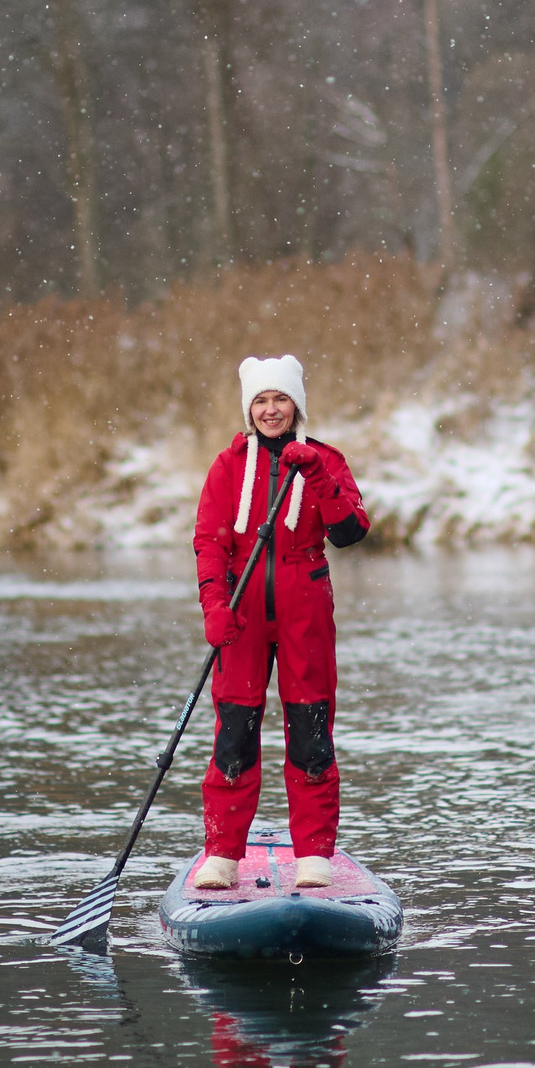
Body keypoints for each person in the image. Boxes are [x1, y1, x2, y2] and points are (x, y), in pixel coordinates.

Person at [191, 355, 370, 891]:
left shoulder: (324, 459)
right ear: (250, 409)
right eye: (261, 401)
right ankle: (222, 853)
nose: (271, 410)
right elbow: (209, 542)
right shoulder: (227, 466)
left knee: (311, 731)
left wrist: (315, 476)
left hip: (305, 608)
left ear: (297, 405)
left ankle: (314, 853)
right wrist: (215, 607)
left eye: (281, 400)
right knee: (235, 734)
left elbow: (350, 531)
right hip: (241, 613)